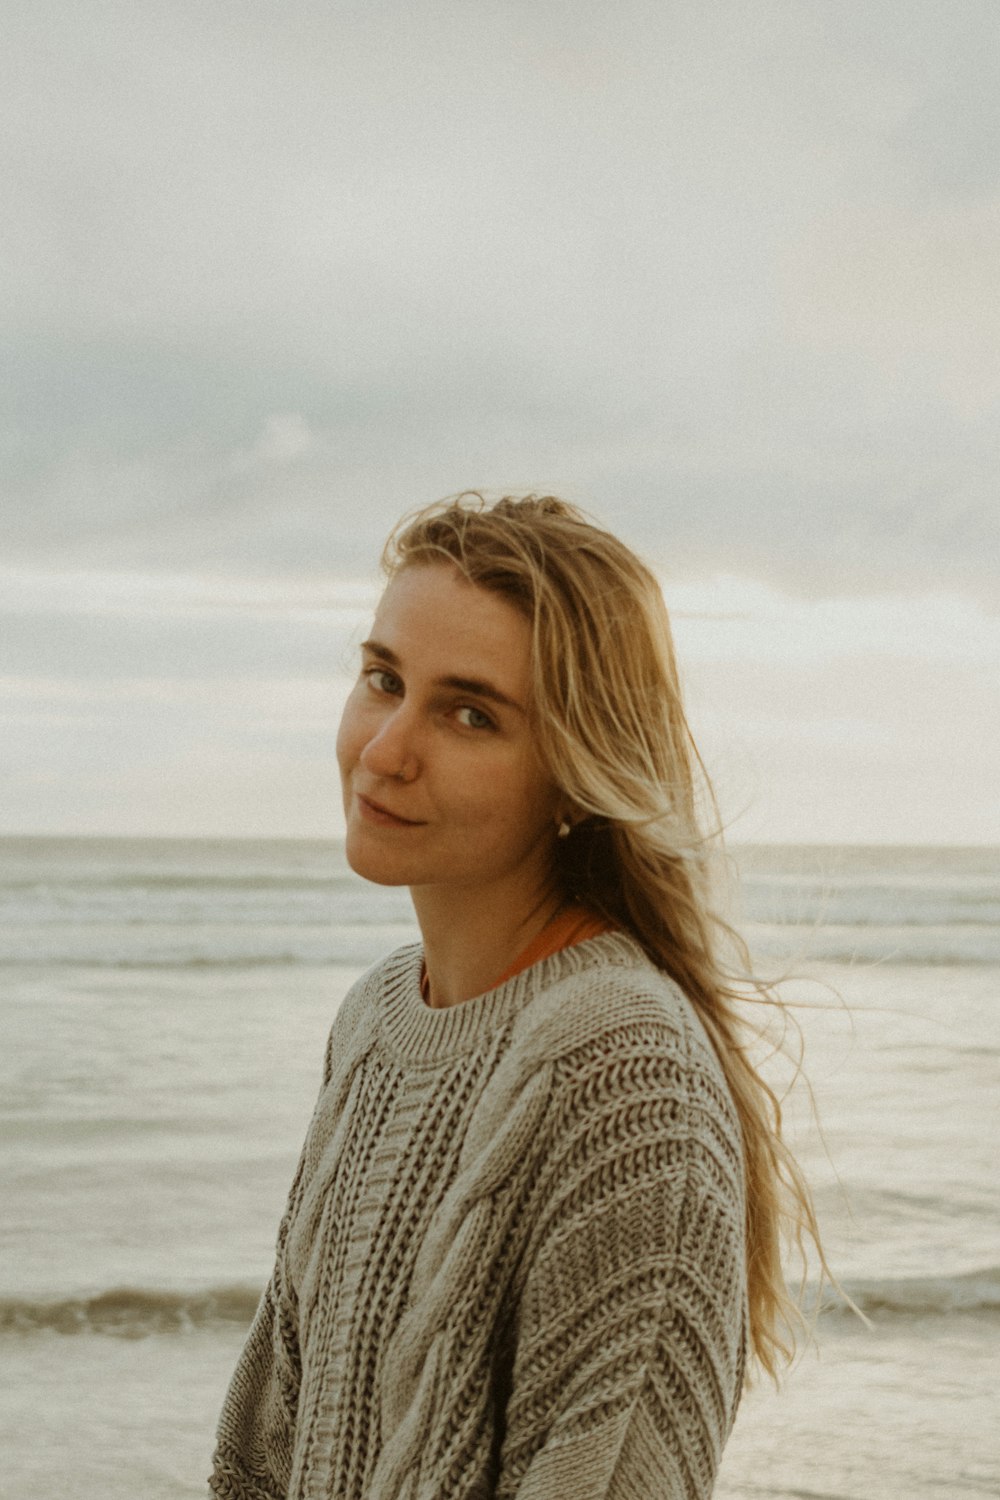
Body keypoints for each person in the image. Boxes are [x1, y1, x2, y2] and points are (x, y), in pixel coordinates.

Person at [209, 493, 822, 1500]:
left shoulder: (624, 1064)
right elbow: (267, 1444)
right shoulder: (374, 1019)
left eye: (468, 713)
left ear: (575, 777)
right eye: (381, 680)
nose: (384, 749)